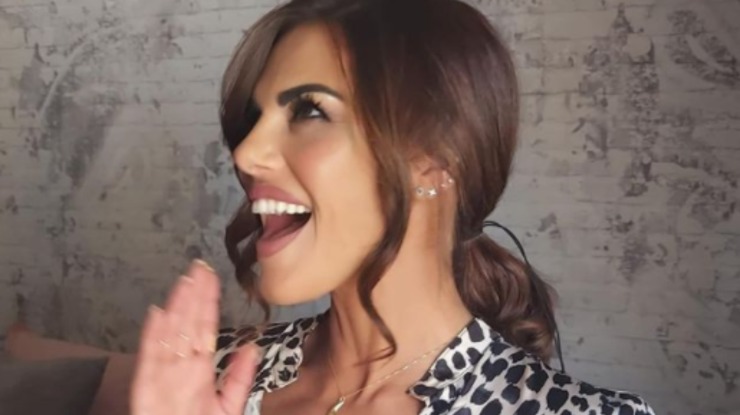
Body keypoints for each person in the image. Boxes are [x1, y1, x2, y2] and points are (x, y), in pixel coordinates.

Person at [130, 0, 657, 414]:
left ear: (433, 159)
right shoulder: (209, 374)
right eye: (254, 118)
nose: (245, 154)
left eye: (310, 111)